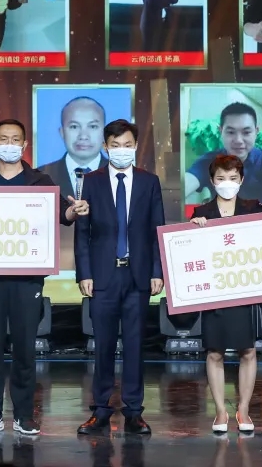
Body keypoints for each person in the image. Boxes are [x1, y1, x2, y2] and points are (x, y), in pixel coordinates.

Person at [0, 119, 87, 437]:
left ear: (24, 145)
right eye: (3, 139)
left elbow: (61, 215)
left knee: (25, 349)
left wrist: (73, 211)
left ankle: (24, 414)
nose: (10, 144)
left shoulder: (40, 181)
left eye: (15, 139)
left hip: (27, 279)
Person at [74, 119, 164, 436]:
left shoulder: (149, 182)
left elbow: (156, 230)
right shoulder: (91, 182)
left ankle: (134, 412)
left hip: (138, 276)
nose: (121, 150)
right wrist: (84, 273)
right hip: (103, 275)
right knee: (103, 346)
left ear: (135, 146)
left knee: (135, 346)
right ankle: (100, 410)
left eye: (127, 145)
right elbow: (82, 233)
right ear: (105, 147)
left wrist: (157, 271)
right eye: (115, 145)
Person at [188, 154, 262, 434]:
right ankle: (220, 411)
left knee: (248, 350)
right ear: (212, 181)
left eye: (233, 178)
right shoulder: (202, 212)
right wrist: (193, 229)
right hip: (215, 292)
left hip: (247, 291)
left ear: (242, 180)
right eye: (221, 178)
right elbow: (189, 251)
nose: (227, 183)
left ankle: (243, 409)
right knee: (214, 352)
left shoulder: (252, 208)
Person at [38, 96, 106, 269]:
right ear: (62, 132)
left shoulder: (121, 176)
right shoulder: (40, 177)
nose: (83, 136)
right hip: (56, 267)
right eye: (74, 126)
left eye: (93, 126)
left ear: (103, 132)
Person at [185, 103, 262, 204]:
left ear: (256, 132)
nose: (238, 140)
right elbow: (186, 182)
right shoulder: (209, 161)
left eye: (246, 132)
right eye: (231, 132)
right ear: (221, 131)